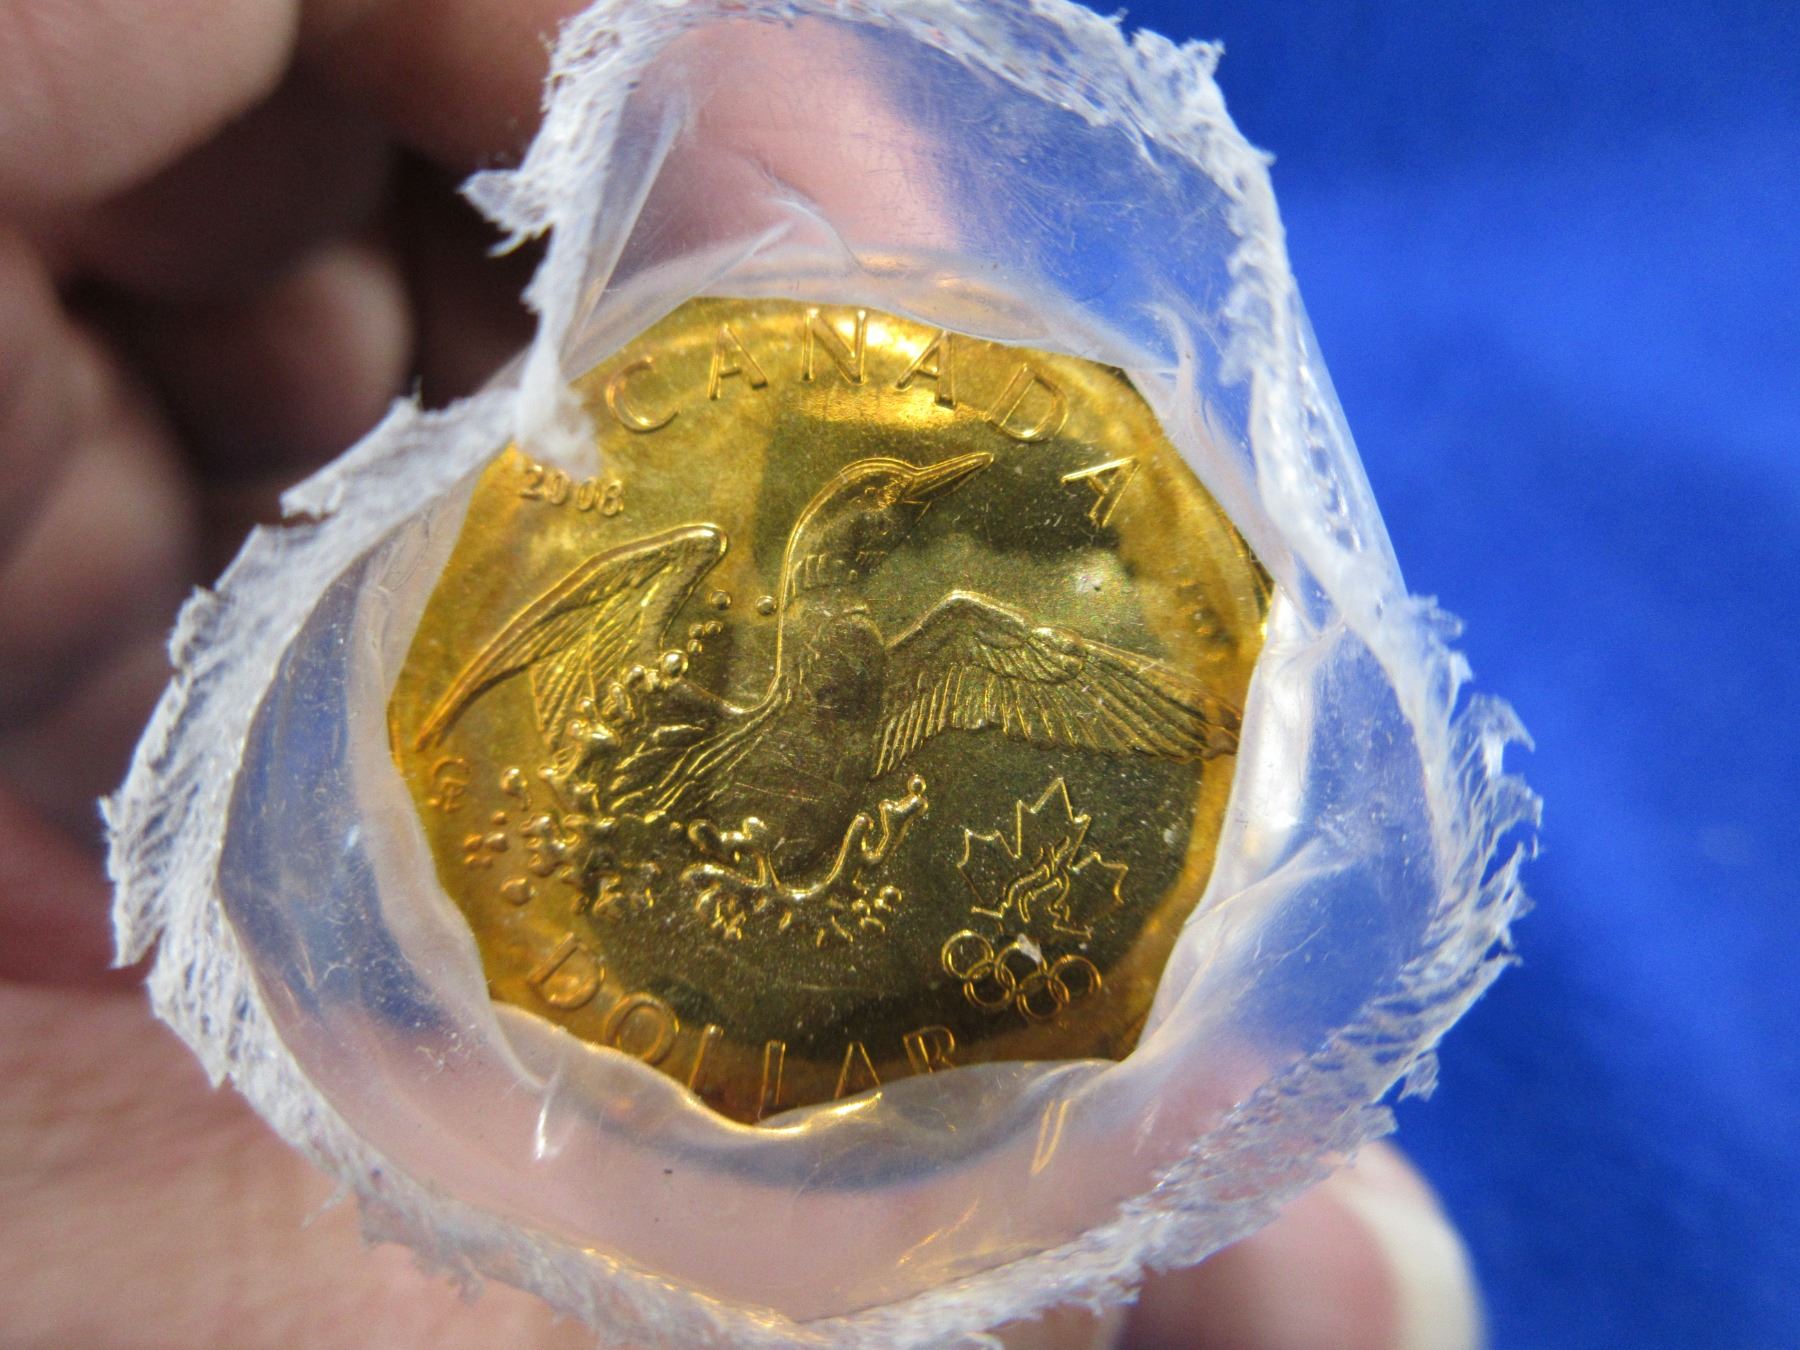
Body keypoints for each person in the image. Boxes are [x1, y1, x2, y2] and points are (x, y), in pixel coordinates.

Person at [0, 2, 1482, 1344]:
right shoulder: (733, 604)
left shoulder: (939, 645)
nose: (895, 527)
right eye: (879, 519)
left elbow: (1096, 698)